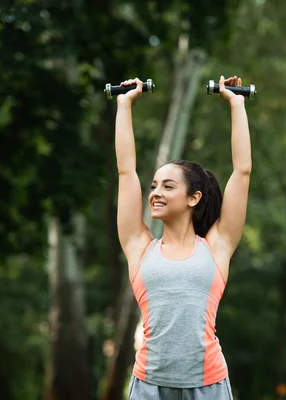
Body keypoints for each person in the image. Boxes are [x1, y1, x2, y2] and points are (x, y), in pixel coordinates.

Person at [114, 75, 251, 399]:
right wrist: (124, 105)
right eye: (154, 186)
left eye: (168, 186)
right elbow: (125, 171)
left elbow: (242, 170)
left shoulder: (217, 247)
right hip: (149, 385)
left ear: (194, 198)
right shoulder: (139, 246)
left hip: (207, 385)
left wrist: (237, 104)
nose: (156, 193)